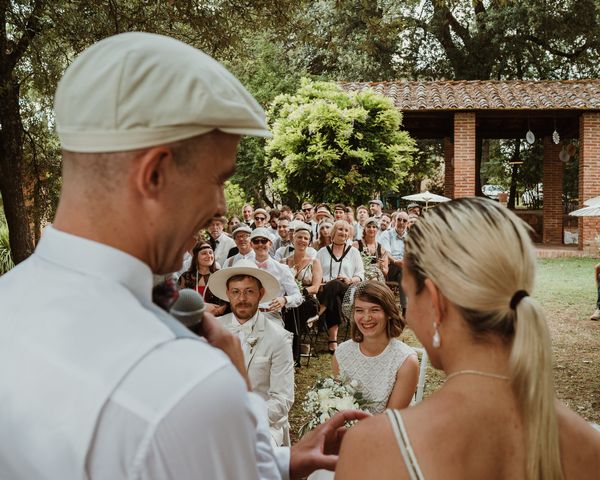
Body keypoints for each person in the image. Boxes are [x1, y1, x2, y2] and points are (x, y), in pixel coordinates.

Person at [0, 32, 365, 480]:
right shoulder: (186, 385)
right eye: (217, 179)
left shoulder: (8, 300)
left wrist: (276, 462)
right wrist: (238, 406)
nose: (220, 206)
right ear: (154, 175)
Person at [335, 197, 600, 480]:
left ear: (435, 301)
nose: (408, 317)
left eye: (409, 295)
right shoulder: (598, 449)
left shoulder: (375, 445)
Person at [211, 260, 295, 446]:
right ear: (227, 294)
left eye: (249, 291)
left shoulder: (279, 338)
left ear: (261, 293)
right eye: (236, 292)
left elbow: (283, 399)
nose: (242, 299)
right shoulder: (212, 330)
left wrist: (243, 417)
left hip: (263, 424)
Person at [333, 281, 418, 414]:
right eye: (359, 310)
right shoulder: (341, 353)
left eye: (375, 310)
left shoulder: (406, 361)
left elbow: (389, 421)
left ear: (389, 313)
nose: (366, 318)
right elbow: (336, 404)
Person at [316, 220, 365, 354]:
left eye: (346, 230)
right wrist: (321, 281)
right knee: (334, 295)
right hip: (325, 290)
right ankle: (333, 340)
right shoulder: (321, 252)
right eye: (340, 229)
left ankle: (318, 312)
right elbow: (315, 273)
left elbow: (360, 275)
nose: (343, 232)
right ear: (333, 232)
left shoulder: (353, 252)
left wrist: (349, 279)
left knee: (337, 284)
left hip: (348, 290)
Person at [285, 223, 323, 364]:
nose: (302, 240)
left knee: (294, 310)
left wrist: (300, 292)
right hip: (288, 300)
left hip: (308, 300)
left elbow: (316, 287)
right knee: (288, 309)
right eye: (299, 237)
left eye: (305, 238)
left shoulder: (314, 262)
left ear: (309, 241)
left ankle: (293, 356)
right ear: (293, 239)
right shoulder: (284, 262)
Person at [250, 227, 303, 326]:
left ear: (270, 244)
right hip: (247, 315)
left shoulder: (282, 269)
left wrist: (285, 300)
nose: (260, 244)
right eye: (256, 241)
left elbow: (298, 297)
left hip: (271, 315)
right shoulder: (245, 266)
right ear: (251, 244)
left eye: (264, 241)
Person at [178, 241, 227, 316]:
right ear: (196, 257)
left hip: (216, 320)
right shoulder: (186, 277)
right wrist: (202, 307)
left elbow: (227, 301)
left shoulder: (220, 276)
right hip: (192, 319)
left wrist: (217, 311)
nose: (209, 256)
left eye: (211, 252)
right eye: (204, 253)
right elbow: (179, 300)